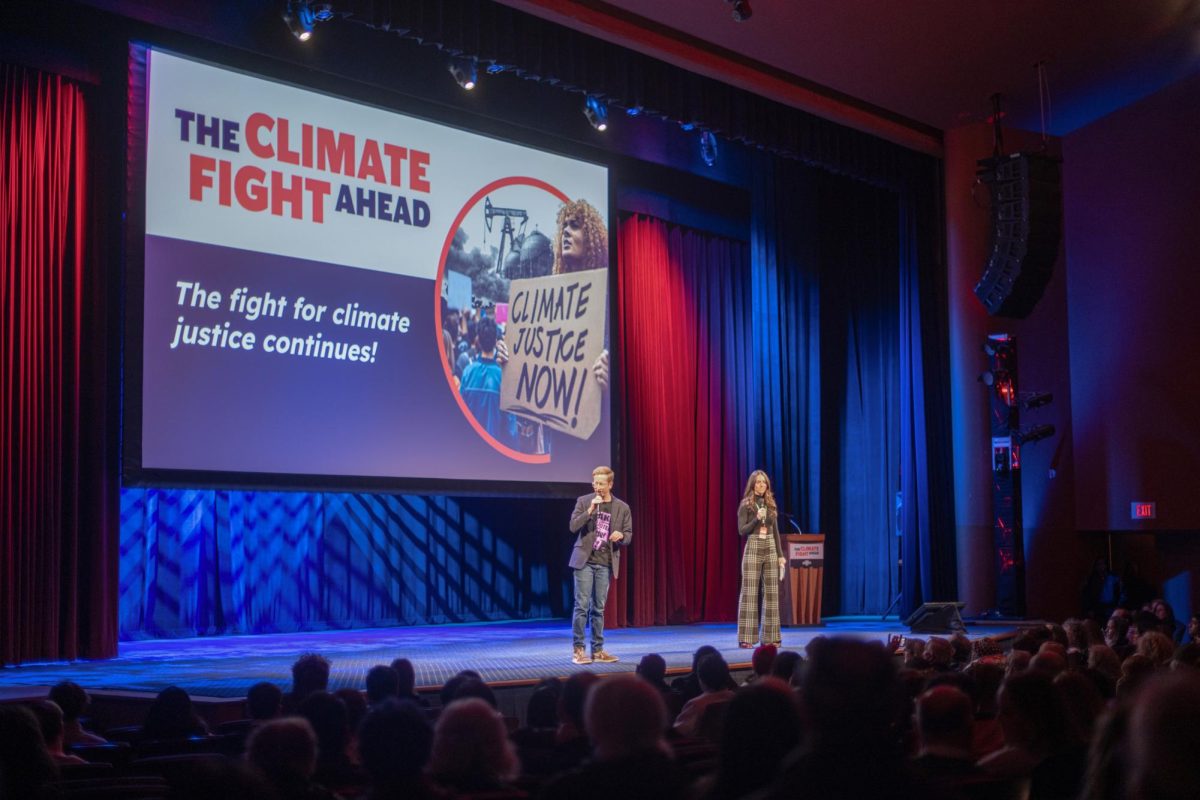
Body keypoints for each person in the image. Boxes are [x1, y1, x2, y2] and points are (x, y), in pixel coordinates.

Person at [568, 465, 632, 664]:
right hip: (585, 561)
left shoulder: (622, 507)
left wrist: (621, 535)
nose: (597, 487)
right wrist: (589, 510)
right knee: (582, 606)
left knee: (599, 608)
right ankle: (579, 650)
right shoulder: (584, 501)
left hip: (605, 563)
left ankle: (598, 650)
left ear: (610, 484)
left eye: (601, 484)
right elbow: (573, 527)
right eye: (595, 483)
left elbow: (628, 535)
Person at [736, 470, 785, 648]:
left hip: (770, 546)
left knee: (771, 592)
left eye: (764, 482)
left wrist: (780, 555)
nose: (761, 485)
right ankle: (746, 638)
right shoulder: (746, 505)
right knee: (750, 593)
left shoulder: (770, 505)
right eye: (757, 482)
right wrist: (757, 519)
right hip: (753, 546)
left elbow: (776, 532)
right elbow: (742, 530)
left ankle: (771, 637)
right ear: (752, 485)